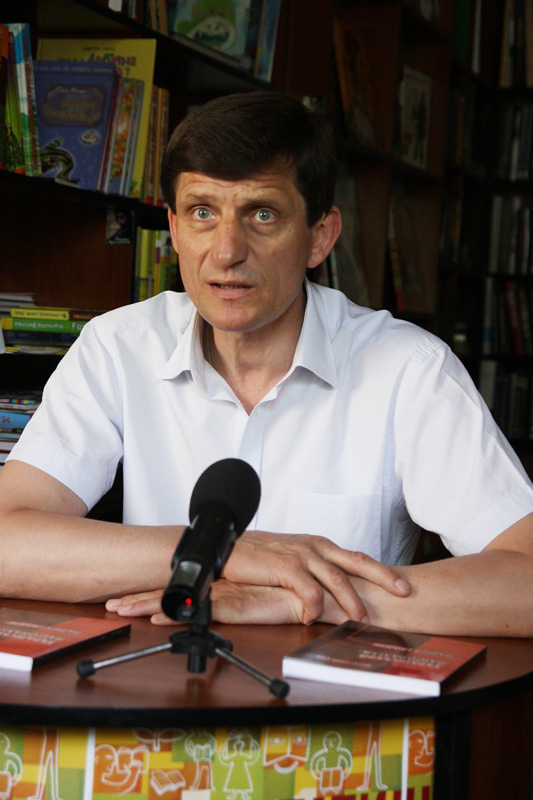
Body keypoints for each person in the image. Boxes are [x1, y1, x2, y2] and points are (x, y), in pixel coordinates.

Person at [0, 92, 531, 638]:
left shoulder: (409, 370)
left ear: (320, 237)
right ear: (175, 230)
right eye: (202, 212)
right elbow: (4, 541)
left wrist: (310, 596)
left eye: (262, 214)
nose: (226, 251)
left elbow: (527, 578)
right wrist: (227, 553)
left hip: (328, 688)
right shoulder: (119, 346)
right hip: (159, 678)